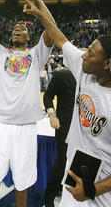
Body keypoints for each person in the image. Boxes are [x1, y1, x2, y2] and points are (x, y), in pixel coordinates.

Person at [23, 0, 111, 206]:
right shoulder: (85, 73)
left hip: (103, 185)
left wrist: (92, 189)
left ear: (107, 63)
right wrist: (38, 12)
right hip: (76, 168)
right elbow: (59, 38)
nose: (83, 55)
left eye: (90, 53)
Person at [0, 0, 54, 207]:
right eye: (14, 29)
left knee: (22, 183)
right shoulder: (0, 53)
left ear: (29, 38)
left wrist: (38, 0)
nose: (17, 30)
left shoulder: (37, 54)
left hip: (26, 127)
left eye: (23, 29)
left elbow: (51, 29)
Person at [43, 67, 76, 207]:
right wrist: (52, 114)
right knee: (62, 160)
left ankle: (73, 194)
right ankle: (49, 196)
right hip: (64, 125)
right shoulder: (62, 75)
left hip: (85, 128)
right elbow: (47, 96)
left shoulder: (94, 77)